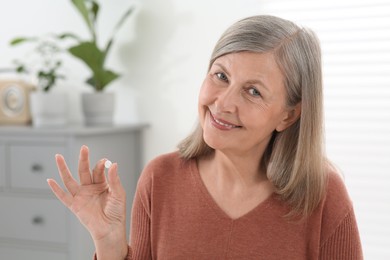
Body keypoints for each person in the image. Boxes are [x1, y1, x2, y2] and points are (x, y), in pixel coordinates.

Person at [47, 15, 363, 259]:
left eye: (253, 91)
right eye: (221, 76)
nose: (223, 103)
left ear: (288, 115)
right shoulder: (160, 178)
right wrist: (109, 243)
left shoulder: (322, 194)